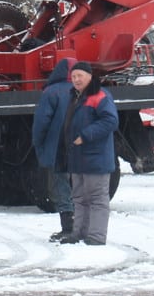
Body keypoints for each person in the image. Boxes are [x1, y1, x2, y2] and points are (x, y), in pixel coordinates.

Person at [63, 61, 118, 246]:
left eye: (80, 76)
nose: (76, 80)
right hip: (78, 157)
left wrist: (85, 136)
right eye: (73, 77)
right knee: (79, 198)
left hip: (96, 157)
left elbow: (110, 121)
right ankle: (78, 233)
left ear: (90, 77)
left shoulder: (100, 96)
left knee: (97, 199)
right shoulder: (75, 97)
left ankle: (96, 237)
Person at [30, 59, 76, 242]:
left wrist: (39, 144)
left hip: (60, 147)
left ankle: (68, 227)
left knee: (61, 185)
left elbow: (41, 123)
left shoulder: (52, 92)